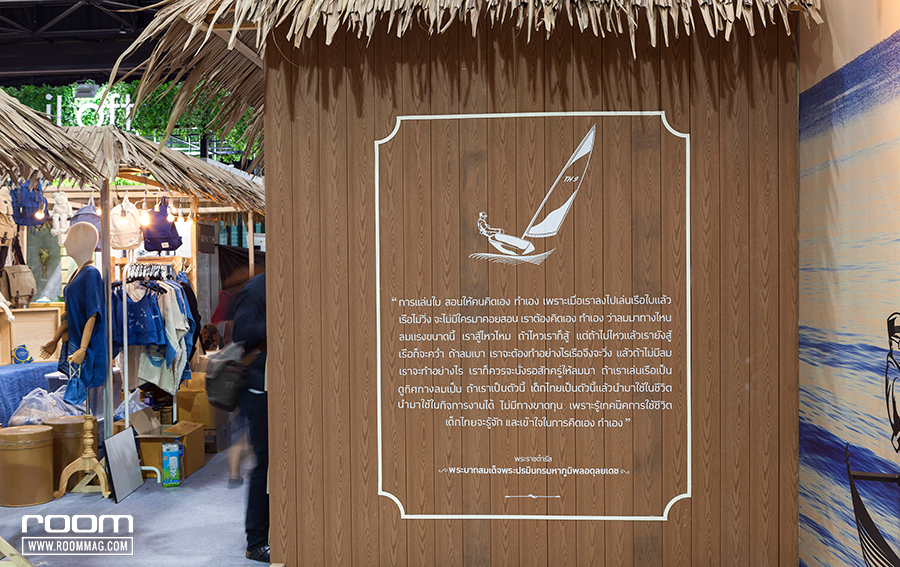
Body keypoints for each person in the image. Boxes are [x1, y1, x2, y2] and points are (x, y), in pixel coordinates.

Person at [230, 271, 268, 562]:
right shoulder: (258, 287)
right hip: (259, 389)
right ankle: (256, 541)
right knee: (266, 464)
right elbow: (241, 334)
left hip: (279, 388)